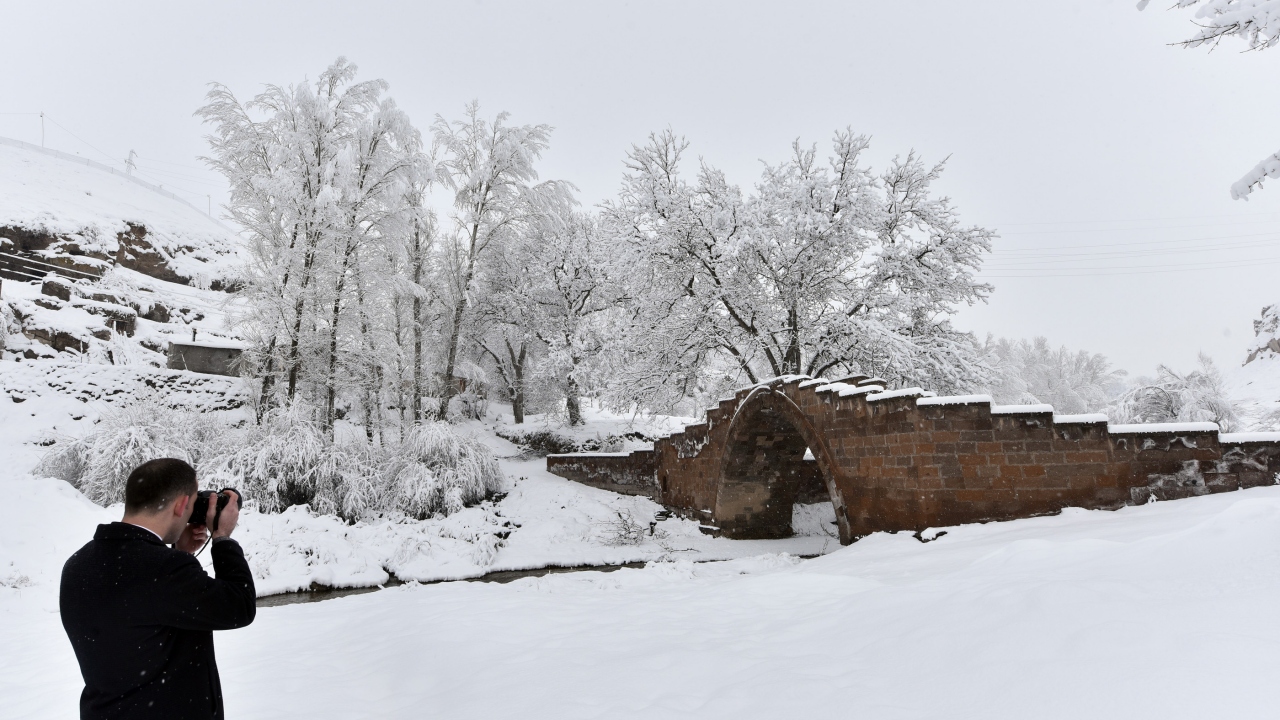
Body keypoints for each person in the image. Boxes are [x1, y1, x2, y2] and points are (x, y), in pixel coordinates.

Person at [60, 458, 256, 720]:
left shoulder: (78, 564)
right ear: (181, 505)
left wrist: (179, 553)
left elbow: (141, 612)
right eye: (194, 502)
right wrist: (222, 538)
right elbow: (239, 606)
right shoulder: (164, 570)